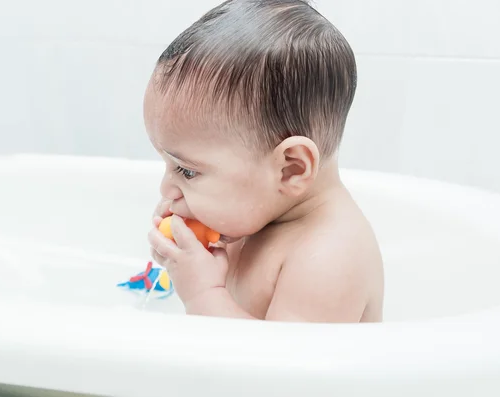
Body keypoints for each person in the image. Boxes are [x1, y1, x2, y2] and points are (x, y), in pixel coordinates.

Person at [145, 0, 384, 322]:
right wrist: (189, 260)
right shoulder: (255, 211)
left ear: (291, 169)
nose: (166, 188)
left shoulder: (328, 258)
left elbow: (278, 369)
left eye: (187, 170)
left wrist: (202, 292)